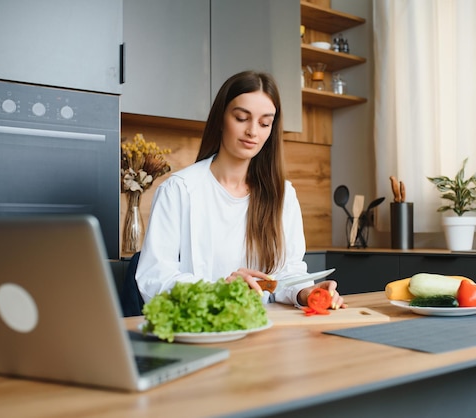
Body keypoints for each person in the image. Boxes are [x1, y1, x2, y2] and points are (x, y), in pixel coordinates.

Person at [135, 70, 345, 309]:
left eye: (265, 123)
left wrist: (307, 292)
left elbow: (286, 274)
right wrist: (219, 289)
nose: (253, 132)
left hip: (265, 329)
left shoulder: (282, 195)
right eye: (242, 118)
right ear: (221, 119)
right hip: (204, 328)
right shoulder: (179, 190)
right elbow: (154, 279)